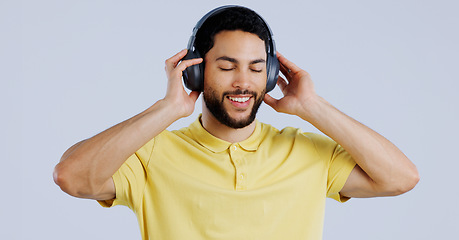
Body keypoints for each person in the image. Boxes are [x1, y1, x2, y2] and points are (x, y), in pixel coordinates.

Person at [53, 5, 419, 240]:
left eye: (257, 68)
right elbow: (71, 176)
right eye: (227, 67)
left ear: (272, 74)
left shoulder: (307, 152)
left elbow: (402, 178)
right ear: (195, 73)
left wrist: (313, 106)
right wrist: (166, 110)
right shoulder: (151, 155)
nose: (243, 81)